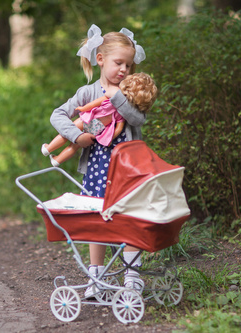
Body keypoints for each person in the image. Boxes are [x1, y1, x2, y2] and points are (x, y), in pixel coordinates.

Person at [49, 24, 153, 298]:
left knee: (130, 214)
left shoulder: (127, 93)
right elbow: (58, 115)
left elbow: (138, 119)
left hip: (127, 167)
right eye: (119, 63)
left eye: (129, 66)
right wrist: (76, 136)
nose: (124, 70)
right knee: (97, 216)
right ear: (100, 59)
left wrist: (118, 97)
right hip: (98, 167)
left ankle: (132, 275)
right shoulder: (87, 93)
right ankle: (96, 275)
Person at [41, 72, 157, 167]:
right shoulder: (122, 112)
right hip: (97, 128)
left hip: (89, 118)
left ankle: (48, 148)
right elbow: (118, 128)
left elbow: (94, 104)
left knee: (66, 135)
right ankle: (57, 160)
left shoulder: (110, 97)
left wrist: (83, 108)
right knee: (74, 146)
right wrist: (111, 137)